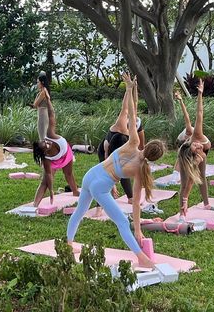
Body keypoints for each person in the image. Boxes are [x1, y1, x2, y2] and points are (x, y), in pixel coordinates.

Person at [67, 74, 165, 268]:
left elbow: (131, 114)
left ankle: (69, 243)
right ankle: (141, 258)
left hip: (90, 174)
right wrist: (137, 230)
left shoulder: (134, 143)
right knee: (121, 221)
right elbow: (135, 203)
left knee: (80, 211)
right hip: (100, 186)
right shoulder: (140, 170)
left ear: (147, 145)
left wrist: (129, 89)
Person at [97, 78, 145, 202]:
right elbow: (125, 108)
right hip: (104, 151)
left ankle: (130, 198)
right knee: (109, 172)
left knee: (122, 170)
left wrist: (133, 87)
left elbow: (134, 104)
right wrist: (127, 89)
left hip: (115, 146)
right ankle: (108, 195)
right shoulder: (121, 125)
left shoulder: (131, 128)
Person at [177, 78, 214, 219]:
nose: (199, 145)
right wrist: (185, 201)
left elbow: (199, 113)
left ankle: (206, 203)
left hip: (196, 154)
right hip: (185, 156)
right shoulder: (188, 153)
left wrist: (200, 94)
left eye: (197, 145)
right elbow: (188, 184)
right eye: (197, 146)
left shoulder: (197, 134)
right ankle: (182, 212)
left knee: (202, 177)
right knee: (185, 183)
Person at [32, 93, 79, 208]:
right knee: (44, 182)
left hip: (65, 152)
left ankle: (75, 191)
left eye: (46, 141)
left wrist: (48, 100)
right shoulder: (47, 159)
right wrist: (52, 191)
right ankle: (35, 204)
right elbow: (48, 176)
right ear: (45, 152)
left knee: (68, 174)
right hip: (54, 160)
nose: (48, 142)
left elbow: (52, 115)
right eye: (46, 145)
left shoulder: (50, 135)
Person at [33, 72, 50, 141]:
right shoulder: (45, 91)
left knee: (42, 136)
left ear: (42, 82)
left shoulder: (43, 92)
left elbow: (35, 105)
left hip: (42, 114)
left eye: (38, 82)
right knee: (43, 135)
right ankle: (45, 151)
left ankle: (44, 151)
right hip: (43, 113)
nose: (37, 84)